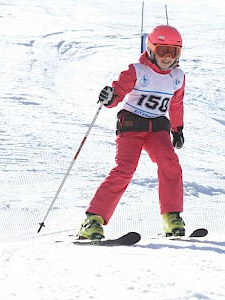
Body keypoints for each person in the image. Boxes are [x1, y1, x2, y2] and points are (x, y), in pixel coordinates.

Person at [77, 25, 186, 240]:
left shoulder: (178, 77)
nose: (167, 57)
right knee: (125, 168)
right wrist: (111, 97)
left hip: (158, 128)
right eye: (162, 50)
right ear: (151, 49)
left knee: (170, 163)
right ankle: (93, 220)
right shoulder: (137, 70)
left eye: (172, 52)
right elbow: (119, 90)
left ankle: (172, 217)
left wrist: (177, 129)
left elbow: (176, 104)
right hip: (132, 125)